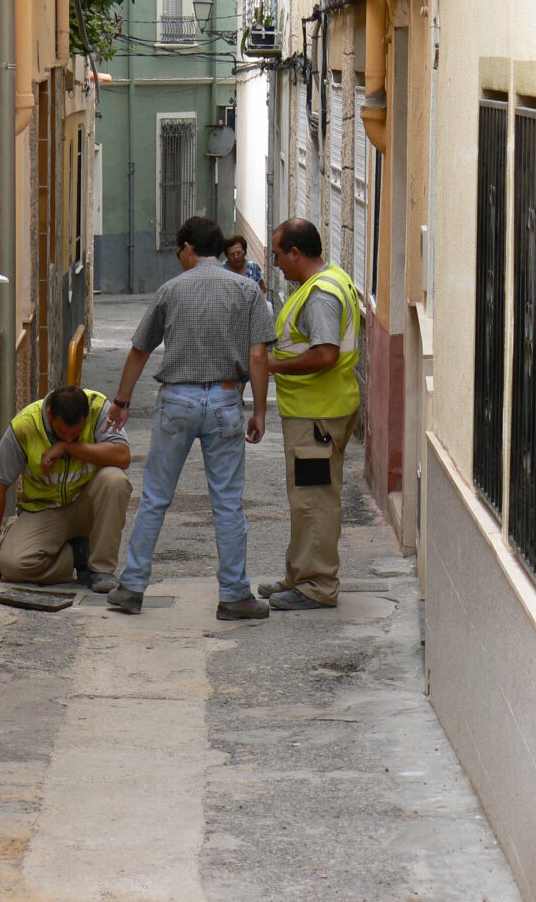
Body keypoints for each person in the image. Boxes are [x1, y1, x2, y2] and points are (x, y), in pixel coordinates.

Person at [105, 216, 277, 620]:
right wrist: (260, 411)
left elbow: (139, 350)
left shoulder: (170, 291)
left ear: (186, 248)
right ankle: (234, 594)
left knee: (155, 498)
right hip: (225, 398)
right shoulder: (247, 290)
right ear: (218, 249)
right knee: (228, 504)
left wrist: (121, 401)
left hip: (177, 402)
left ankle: (131, 586)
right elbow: (257, 356)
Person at [261, 218, 361, 611]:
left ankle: (316, 585)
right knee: (306, 497)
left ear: (296, 254)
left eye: (278, 255)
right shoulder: (330, 279)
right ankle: (299, 576)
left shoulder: (319, 295)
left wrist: (273, 366)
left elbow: (325, 354)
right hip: (320, 411)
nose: (275, 263)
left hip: (317, 415)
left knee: (314, 501)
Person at [0, 385, 132, 593]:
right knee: (12, 565)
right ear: (50, 413)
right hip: (44, 510)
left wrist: (68, 447)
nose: (69, 437)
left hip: (86, 505)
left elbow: (123, 456)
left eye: (76, 433)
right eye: (62, 432)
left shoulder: (98, 409)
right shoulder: (26, 425)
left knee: (116, 480)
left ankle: (101, 570)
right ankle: (78, 554)